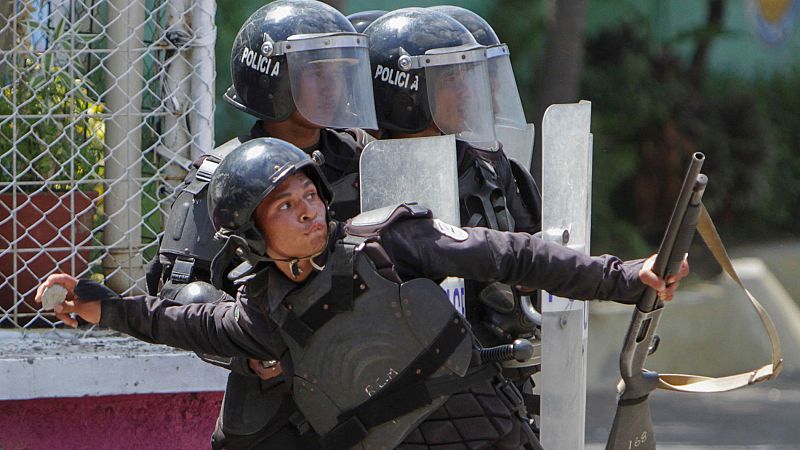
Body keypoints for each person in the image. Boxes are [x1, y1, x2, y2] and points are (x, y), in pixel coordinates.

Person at [38, 138, 688, 450]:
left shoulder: (391, 242)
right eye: (284, 207)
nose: (309, 210)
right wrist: (87, 299)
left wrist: (624, 277)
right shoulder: (260, 319)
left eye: (310, 194)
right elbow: (166, 320)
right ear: (251, 236)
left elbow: (511, 252)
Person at [151, 0, 377, 448]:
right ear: (270, 79)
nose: (333, 85)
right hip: (275, 408)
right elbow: (177, 289)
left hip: (373, 382)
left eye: (337, 71)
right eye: (315, 72)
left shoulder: (368, 160)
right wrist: (250, 347)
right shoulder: (224, 174)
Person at [364, 8, 543, 388]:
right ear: (405, 89)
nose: (468, 91)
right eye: (450, 78)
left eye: (467, 76)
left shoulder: (492, 169)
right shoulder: (351, 177)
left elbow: (535, 261)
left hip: (494, 369)